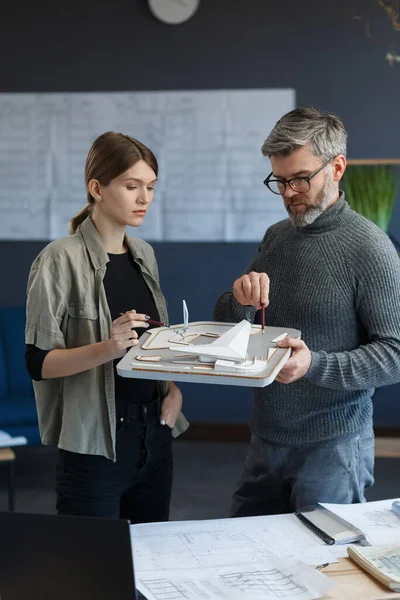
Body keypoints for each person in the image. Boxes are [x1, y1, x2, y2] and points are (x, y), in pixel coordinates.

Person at [214, 107, 400, 516]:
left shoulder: (371, 249)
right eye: (279, 181)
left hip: (334, 449)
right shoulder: (276, 237)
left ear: (337, 167)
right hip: (266, 440)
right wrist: (240, 301)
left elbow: (395, 354)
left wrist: (314, 365)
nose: (288, 193)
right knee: (249, 564)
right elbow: (231, 324)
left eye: (300, 178)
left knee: (322, 571)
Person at [25, 131, 188, 522]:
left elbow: (148, 343)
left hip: (155, 435)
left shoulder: (144, 254)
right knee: (90, 575)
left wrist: (173, 390)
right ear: (97, 188)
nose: (144, 198)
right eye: (132, 186)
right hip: (94, 445)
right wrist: (107, 348)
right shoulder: (57, 259)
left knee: (148, 567)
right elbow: (38, 363)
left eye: (150, 187)